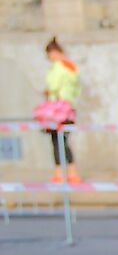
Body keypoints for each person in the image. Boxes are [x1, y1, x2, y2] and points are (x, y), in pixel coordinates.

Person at [36, 37, 79, 185]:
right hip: (61, 108)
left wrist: (48, 91)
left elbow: (53, 85)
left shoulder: (62, 66)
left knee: (60, 140)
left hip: (61, 109)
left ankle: (66, 172)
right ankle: (64, 172)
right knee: (58, 140)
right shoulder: (65, 66)